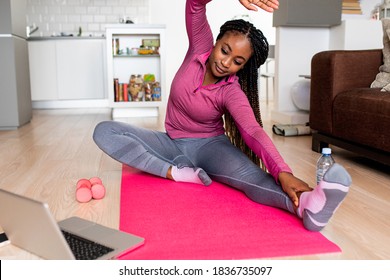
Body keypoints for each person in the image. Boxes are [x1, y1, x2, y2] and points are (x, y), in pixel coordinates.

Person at [93, 0, 352, 232]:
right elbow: (195, 4)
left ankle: (307, 207)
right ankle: (176, 173)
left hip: (210, 147)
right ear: (215, 42)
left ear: (242, 67)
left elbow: (252, 131)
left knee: (252, 179)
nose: (226, 63)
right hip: (170, 144)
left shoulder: (231, 90)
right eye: (225, 50)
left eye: (237, 61)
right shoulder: (198, 50)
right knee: (105, 130)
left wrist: (283, 171)